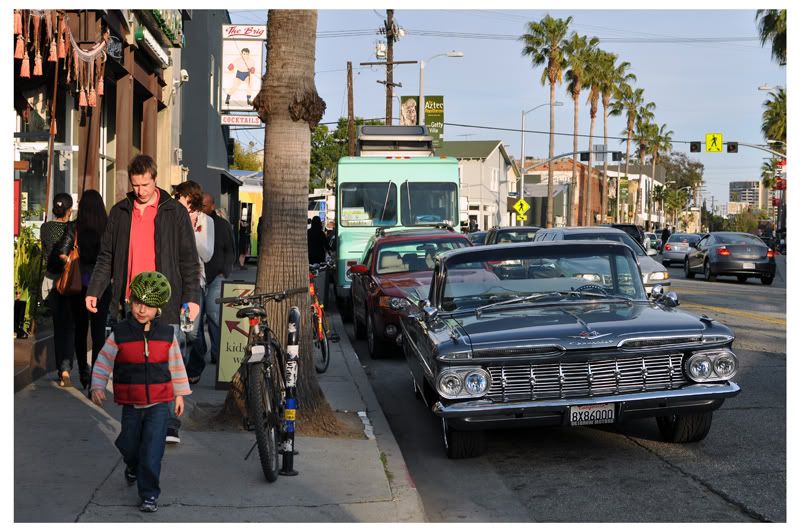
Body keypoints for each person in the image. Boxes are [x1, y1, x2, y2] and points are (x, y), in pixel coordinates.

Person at [86, 154, 200, 445]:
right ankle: (136, 420)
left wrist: (192, 296)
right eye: (135, 185)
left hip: (167, 299)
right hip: (130, 301)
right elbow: (107, 256)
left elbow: (189, 258)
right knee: (132, 363)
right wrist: (94, 290)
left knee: (169, 359)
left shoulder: (173, 211)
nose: (140, 191)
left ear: (154, 178)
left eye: (145, 184)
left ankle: (170, 423)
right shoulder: (120, 212)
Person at [90, 271, 191, 513]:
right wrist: (97, 384)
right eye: (137, 303)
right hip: (131, 403)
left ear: (159, 309)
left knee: (152, 451)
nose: (141, 309)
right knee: (129, 444)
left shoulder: (167, 335)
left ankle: (149, 494)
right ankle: (131, 465)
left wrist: (179, 394)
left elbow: (176, 365)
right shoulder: (121, 333)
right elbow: (103, 360)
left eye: (148, 305)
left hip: (159, 404)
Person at [58, 190, 112, 390]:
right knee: (98, 332)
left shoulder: (74, 227)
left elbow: (62, 252)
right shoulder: (107, 227)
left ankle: (83, 371)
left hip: (79, 285)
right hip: (102, 285)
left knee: (80, 330)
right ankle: (97, 377)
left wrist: (73, 258)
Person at [173, 181, 214, 385]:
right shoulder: (172, 216)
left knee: (192, 332)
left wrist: (191, 230)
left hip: (195, 280)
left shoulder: (206, 221)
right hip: (174, 279)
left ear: (190, 199)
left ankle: (194, 364)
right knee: (177, 329)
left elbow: (207, 254)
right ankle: (179, 370)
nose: (177, 199)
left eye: (180, 196)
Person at [188, 192, 235, 373]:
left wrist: (225, 271)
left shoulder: (222, 225)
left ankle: (217, 353)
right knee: (197, 322)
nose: (202, 209)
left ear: (212, 206)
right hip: (199, 277)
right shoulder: (195, 222)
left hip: (216, 277)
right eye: (201, 206)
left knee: (215, 317)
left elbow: (230, 249)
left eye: (205, 206)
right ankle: (200, 352)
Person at [40, 192, 76, 387]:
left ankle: (59, 367)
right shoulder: (72, 228)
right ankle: (65, 369)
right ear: (69, 210)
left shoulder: (45, 228)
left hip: (50, 280)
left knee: (57, 325)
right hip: (69, 280)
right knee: (69, 326)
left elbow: (46, 250)